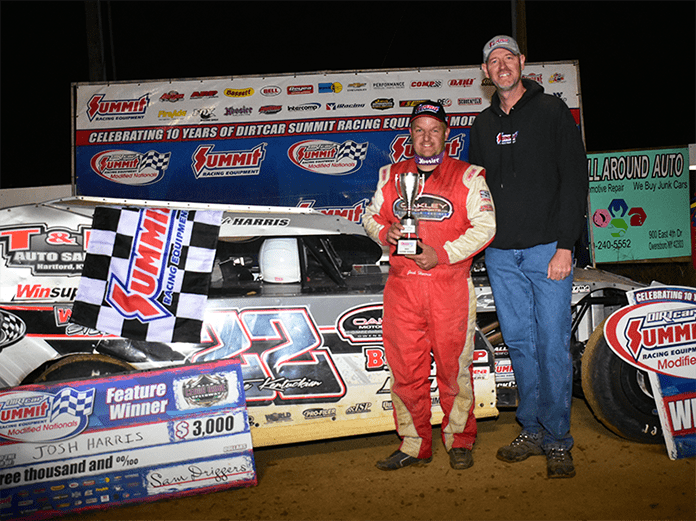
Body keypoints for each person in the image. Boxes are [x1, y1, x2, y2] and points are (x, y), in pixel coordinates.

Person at [468, 35, 589, 478]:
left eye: (508, 58)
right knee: (519, 343)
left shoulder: (552, 111)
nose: (501, 66)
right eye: (492, 61)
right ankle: (532, 427)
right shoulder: (480, 126)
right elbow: (476, 194)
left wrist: (564, 245)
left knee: (553, 344)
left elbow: (574, 181)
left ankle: (558, 438)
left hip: (547, 252)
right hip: (501, 256)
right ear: (485, 72)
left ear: (522, 63)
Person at [363, 101, 496, 471]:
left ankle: (459, 440)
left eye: (434, 130)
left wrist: (444, 254)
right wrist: (384, 231)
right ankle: (413, 444)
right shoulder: (390, 175)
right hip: (403, 289)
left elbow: (486, 228)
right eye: (419, 129)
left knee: (455, 371)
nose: (426, 137)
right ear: (410, 133)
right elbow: (369, 216)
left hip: (449, 287)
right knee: (406, 371)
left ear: (446, 135)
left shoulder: (469, 176)